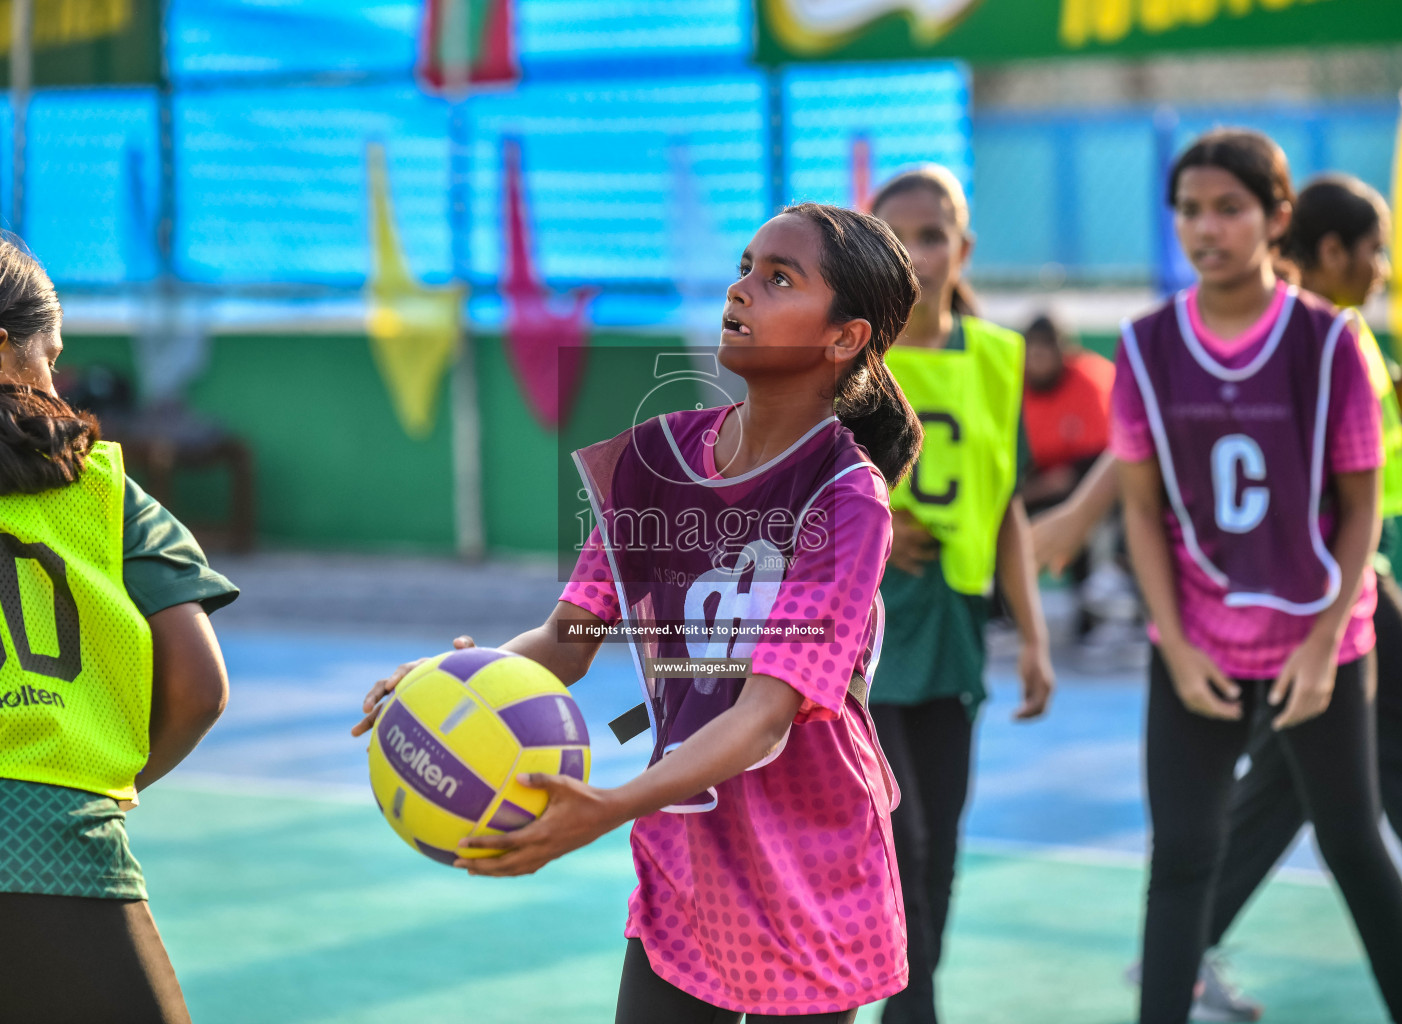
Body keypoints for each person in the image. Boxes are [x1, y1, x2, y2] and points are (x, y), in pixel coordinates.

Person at [355, 202, 924, 1023]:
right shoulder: (655, 459)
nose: (741, 291)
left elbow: (766, 717)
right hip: (687, 862)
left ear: (845, 337)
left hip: (807, 864)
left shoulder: (845, 497)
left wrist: (612, 805)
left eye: (779, 279)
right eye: (745, 266)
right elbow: (567, 641)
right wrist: (449, 681)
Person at [1036, 172, 1402, 1022]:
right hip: (1315, 601)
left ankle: (1193, 950)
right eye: (1373, 252)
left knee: (1316, 802)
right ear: (1329, 250)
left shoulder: (1327, 340)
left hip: (1328, 605)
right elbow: (1153, 452)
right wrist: (1080, 517)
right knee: (1397, 795)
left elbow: (1370, 436)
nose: (1382, 270)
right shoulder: (1280, 339)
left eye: (1225, 210)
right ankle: (1187, 954)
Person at [0, 222, 239, 1023]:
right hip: (35, 847)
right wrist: (98, 790)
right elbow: (199, 688)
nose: (59, 390)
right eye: (52, 359)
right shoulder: (96, 484)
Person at [866, 166, 1055, 1024]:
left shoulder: (997, 359)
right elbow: (783, 501)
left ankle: (906, 998)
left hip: (953, 627)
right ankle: (911, 1009)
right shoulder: (844, 359)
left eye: (933, 234)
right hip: (859, 634)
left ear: (963, 247)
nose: (917, 252)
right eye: (896, 235)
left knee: (938, 850)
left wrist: (1037, 635)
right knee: (898, 841)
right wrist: (875, 535)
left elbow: (1007, 498)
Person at [1020, 312, 1126, 640]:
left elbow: (1098, 462)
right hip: (1038, 484)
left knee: (1079, 518)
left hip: (1096, 483)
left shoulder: (1091, 381)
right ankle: (1001, 611)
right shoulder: (1011, 384)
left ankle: (1095, 612)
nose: (1038, 361)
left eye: (1045, 351)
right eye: (1032, 352)